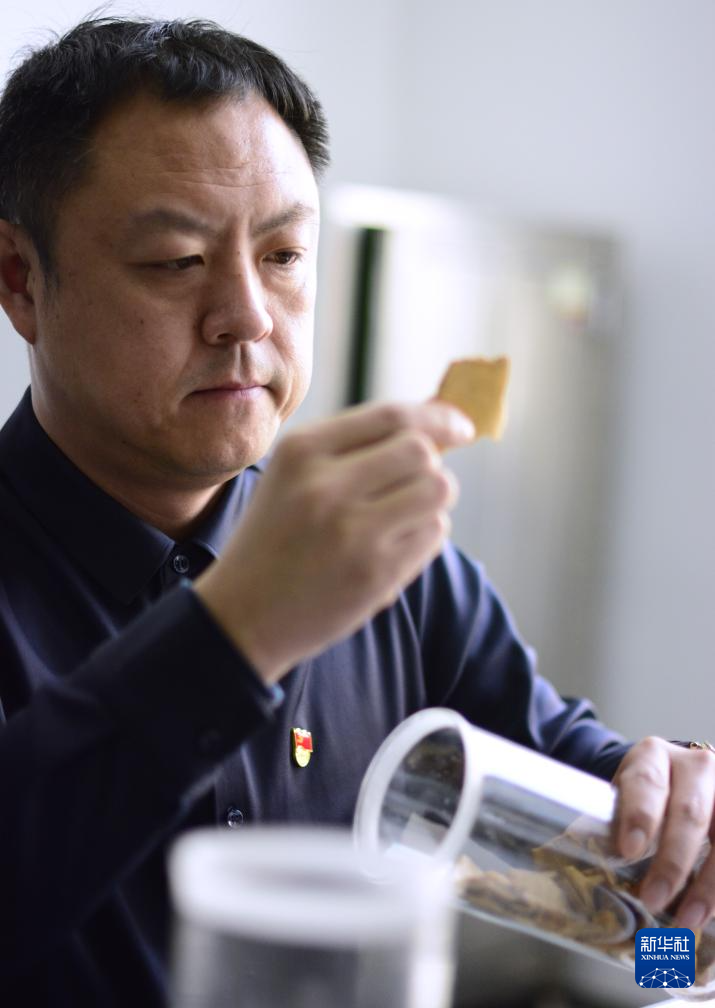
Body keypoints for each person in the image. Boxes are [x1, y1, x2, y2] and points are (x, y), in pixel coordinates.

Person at [0, 15, 713, 1006]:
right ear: (22, 281)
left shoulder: (398, 567)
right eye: (175, 261)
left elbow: (623, 899)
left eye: (285, 254)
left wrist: (675, 836)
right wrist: (236, 634)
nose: (247, 315)